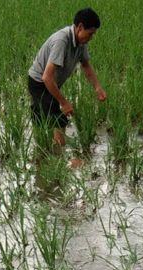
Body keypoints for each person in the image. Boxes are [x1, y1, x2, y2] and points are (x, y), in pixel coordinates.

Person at [27, 8, 107, 162]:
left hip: (49, 82)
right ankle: (58, 157)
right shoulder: (61, 41)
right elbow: (46, 76)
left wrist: (97, 87)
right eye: (90, 33)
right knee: (59, 119)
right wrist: (63, 102)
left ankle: (40, 152)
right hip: (39, 82)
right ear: (80, 27)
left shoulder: (80, 42)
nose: (91, 38)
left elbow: (85, 66)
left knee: (41, 116)